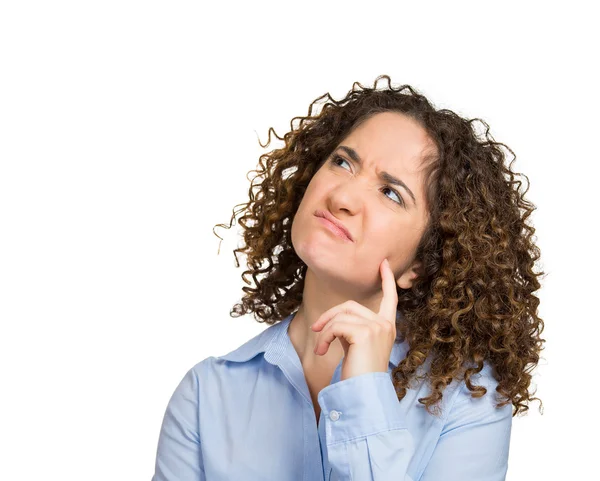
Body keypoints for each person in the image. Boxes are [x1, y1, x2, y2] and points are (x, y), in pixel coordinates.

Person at [151, 75, 545, 481]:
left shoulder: (468, 401)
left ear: (420, 265)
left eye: (390, 193)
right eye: (342, 162)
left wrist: (365, 393)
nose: (341, 198)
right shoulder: (205, 396)